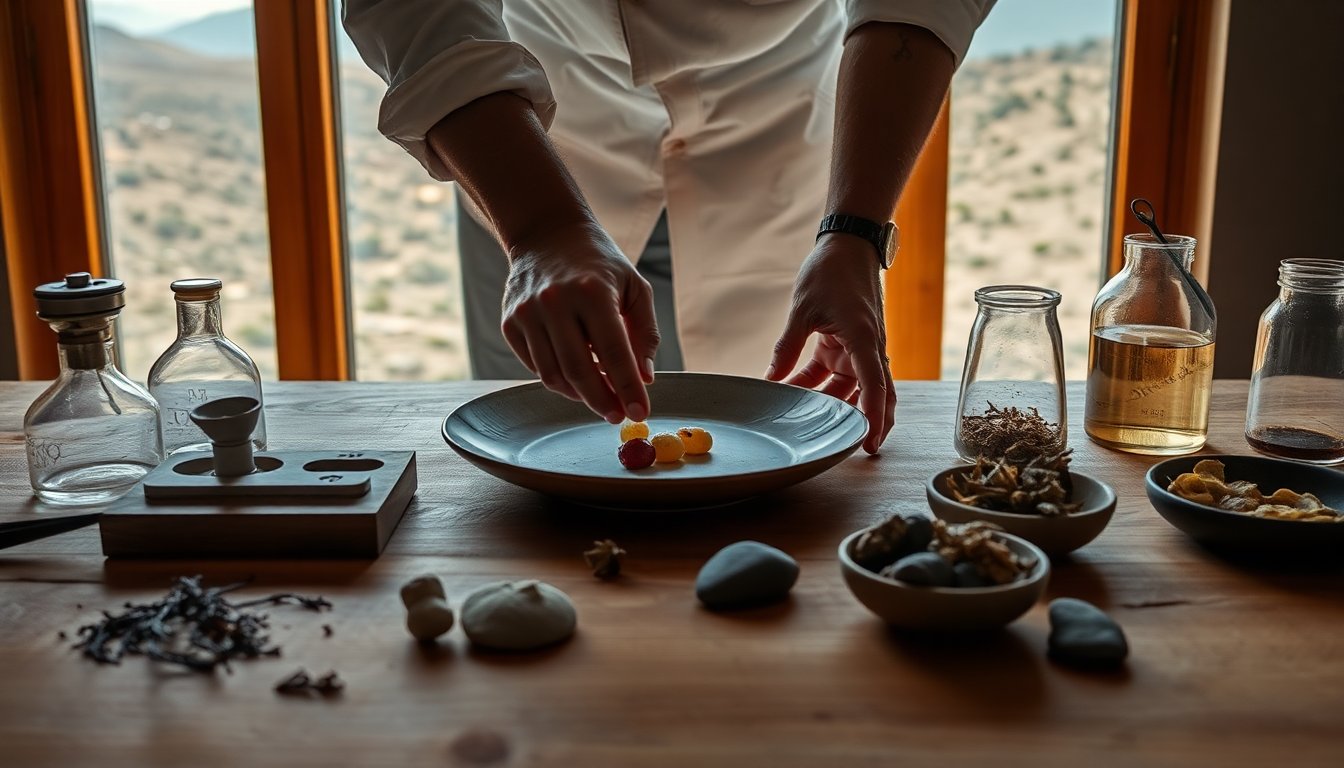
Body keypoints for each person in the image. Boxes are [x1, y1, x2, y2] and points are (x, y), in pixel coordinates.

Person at [344, 0, 995, 454]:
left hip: (774, 120)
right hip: (516, 137)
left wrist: (854, 231)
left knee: (755, 448)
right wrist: (539, 229)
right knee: (529, 446)